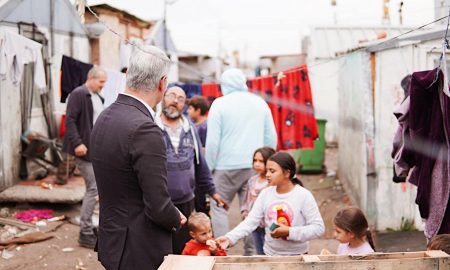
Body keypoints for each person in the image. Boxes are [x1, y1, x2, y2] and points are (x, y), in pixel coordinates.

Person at [90, 45, 186, 270]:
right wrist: (177, 218)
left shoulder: (106, 115)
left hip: (112, 240)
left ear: (127, 75)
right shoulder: (144, 128)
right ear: (162, 83)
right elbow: (158, 206)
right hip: (137, 249)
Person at [205, 68, 277, 255]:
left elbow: (212, 142)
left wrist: (209, 169)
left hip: (224, 167)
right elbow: (271, 137)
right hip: (255, 167)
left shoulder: (219, 104)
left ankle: (221, 252)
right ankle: (251, 253)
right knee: (253, 211)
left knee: (219, 207)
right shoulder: (260, 103)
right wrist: (267, 166)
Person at [155, 86, 228, 254]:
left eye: (181, 99)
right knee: (160, 248)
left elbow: (200, 164)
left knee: (182, 249)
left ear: (184, 105)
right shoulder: (151, 126)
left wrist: (213, 191)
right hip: (160, 202)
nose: (175, 101)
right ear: (163, 98)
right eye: (172, 96)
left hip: (186, 201)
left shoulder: (190, 129)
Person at [216, 152, 325, 255]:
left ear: (287, 173)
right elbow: (251, 221)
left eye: (272, 171)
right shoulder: (265, 194)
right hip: (270, 255)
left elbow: (318, 228)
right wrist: (229, 238)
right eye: (267, 170)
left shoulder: (303, 195)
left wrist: (289, 232)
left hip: (298, 256)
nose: (267, 174)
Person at [62, 66, 107, 249]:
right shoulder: (79, 93)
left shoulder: (97, 97)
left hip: (95, 151)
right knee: (94, 188)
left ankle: (90, 227)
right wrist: (78, 143)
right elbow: (70, 120)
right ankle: (85, 231)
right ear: (91, 78)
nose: (103, 85)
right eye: (101, 81)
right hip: (83, 150)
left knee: (95, 188)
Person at [241, 147, 276, 255]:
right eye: (255, 160)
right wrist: (245, 213)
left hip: (269, 226)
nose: (257, 164)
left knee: (270, 253)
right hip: (255, 225)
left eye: (261, 161)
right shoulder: (252, 181)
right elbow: (246, 200)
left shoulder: (271, 183)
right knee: (260, 253)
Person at [187, 95, 211, 216]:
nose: (188, 111)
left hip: (202, 171)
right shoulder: (193, 126)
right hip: (195, 172)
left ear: (198, 110)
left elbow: (206, 149)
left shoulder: (205, 127)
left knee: (202, 204)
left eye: (190, 108)